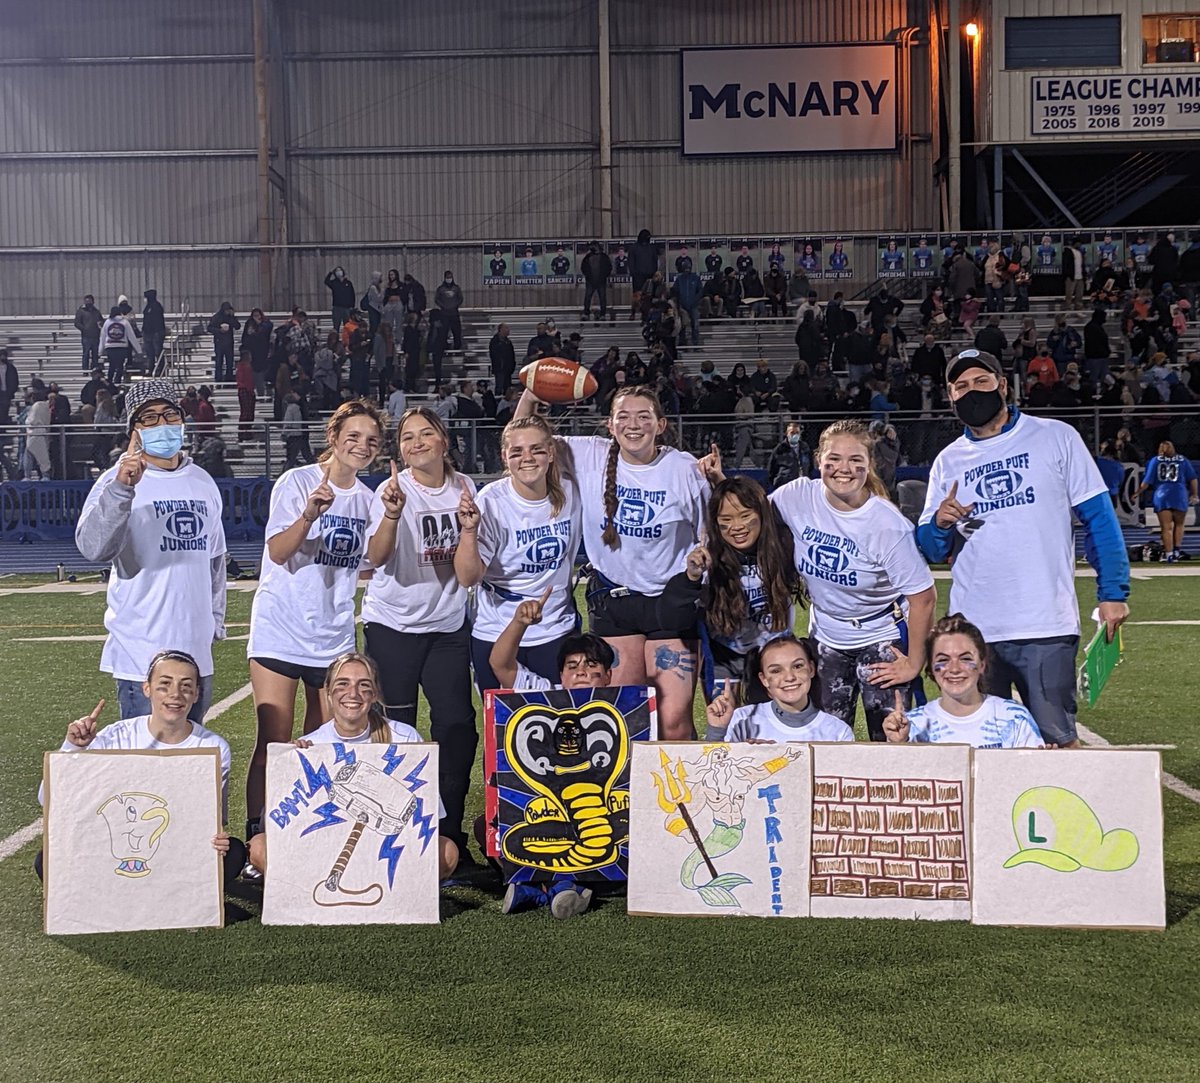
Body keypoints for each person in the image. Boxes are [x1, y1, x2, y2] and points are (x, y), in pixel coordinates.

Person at [916, 348, 1130, 748]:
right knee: (981, 745)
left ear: (1002, 385)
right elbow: (929, 548)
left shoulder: (1055, 437)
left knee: (1057, 742)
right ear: (950, 396)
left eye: (981, 381)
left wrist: (1113, 592)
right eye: (961, 386)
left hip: (1044, 623)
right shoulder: (948, 460)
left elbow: (1099, 518)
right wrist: (940, 523)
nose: (972, 391)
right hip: (973, 629)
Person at [718, 420, 936, 742]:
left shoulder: (887, 525)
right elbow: (752, 514)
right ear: (819, 459)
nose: (843, 469)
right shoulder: (797, 496)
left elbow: (924, 598)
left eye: (855, 460)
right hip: (826, 636)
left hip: (880, 634)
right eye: (834, 458)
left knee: (889, 739)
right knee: (823, 742)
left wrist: (913, 663)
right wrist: (719, 483)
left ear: (869, 464)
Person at [516, 385, 708, 739]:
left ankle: (680, 778)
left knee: (673, 721)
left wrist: (700, 567)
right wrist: (530, 396)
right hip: (614, 599)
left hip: (670, 600)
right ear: (610, 424)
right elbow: (526, 440)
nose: (633, 425)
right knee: (623, 718)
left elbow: (709, 531)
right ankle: (630, 780)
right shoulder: (590, 454)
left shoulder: (683, 469)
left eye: (643, 416)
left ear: (660, 424)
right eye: (624, 416)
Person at [242, 399, 386, 844]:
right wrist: (309, 515)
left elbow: (371, 563)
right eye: (354, 436)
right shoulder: (298, 481)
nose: (362, 446)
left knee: (323, 746)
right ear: (333, 437)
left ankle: (309, 837)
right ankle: (259, 835)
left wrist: (393, 517)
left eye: (372, 440)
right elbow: (278, 552)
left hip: (333, 637)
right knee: (274, 742)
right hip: (281, 630)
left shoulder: (368, 500)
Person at [362, 406, 478, 862]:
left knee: (456, 727)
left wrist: (468, 530)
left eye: (425, 433)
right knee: (395, 730)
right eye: (407, 437)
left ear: (444, 440)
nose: (416, 443)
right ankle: (396, 839)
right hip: (393, 624)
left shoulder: (466, 488)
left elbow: (467, 573)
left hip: (447, 627)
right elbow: (376, 558)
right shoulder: (391, 491)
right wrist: (392, 515)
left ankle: (449, 835)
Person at [75, 379, 226, 723]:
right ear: (135, 430)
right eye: (150, 417)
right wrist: (122, 489)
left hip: (195, 655)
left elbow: (215, 561)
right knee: (147, 756)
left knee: (193, 753)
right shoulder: (114, 481)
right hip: (141, 655)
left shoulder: (202, 480)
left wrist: (214, 622)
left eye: (169, 414)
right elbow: (93, 548)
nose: (162, 423)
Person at [34, 650, 244, 884]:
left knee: (232, 853)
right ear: (147, 689)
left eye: (185, 686)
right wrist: (73, 748)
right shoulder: (115, 737)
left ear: (196, 694)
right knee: (47, 859)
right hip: (112, 844)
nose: (175, 695)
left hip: (176, 844)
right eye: (164, 685)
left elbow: (207, 818)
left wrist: (216, 839)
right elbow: (47, 798)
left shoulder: (213, 747)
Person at [245, 651, 459, 880]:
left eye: (363, 685)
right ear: (328, 692)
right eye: (343, 684)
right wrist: (289, 768)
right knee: (259, 847)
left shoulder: (405, 738)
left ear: (375, 694)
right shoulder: (311, 747)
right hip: (321, 852)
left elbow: (429, 816)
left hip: (387, 849)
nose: (353, 693)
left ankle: (394, 888)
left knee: (447, 853)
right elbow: (276, 824)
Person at [487, 595, 613, 919]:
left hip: (598, 812)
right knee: (485, 826)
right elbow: (500, 664)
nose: (581, 671)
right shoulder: (541, 691)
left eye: (591, 665)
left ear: (608, 675)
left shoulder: (625, 710)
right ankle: (558, 887)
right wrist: (519, 623)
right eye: (572, 666)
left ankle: (543, 888)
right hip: (548, 807)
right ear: (561, 675)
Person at [454, 414, 580, 692]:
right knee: (502, 719)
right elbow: (467, 578)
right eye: (517, 452)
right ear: (504, 457)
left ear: (551, 453)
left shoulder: (571, 492)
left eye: (536, 449)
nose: (527, 458)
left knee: (561, 717)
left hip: (556, 629)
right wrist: (469, 531)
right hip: (497, 631)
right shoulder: (491, 501)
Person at [685, 476, 806, 705]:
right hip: (723, 652)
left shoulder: (783, 544)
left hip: (773, 647)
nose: (737, 526)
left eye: (745, 516)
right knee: (724, 720)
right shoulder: (706, 555)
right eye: (726, 519)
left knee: (775, 719)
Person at [882, 614, 1046, 748]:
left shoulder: (1013, 717)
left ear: (982, 664)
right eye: (943, 660)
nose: (954, 669)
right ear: (931, 668)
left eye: (965, 658)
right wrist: (899, 745)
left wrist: (1046, 761)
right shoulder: (914, 725)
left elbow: (1031, 774)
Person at [705, 635, 852, 743]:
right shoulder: (741, 719)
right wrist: (717, 731)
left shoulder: (838, 732)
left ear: (811, 669)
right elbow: (712, 770)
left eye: (797, 666)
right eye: (776, 671)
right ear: (764, 679)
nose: (789, 677)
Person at [1139, 440, 1198, 562]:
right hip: (1179, 494)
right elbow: (1192, 478)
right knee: (1179, 525)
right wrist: (1194, 494)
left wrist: (1137, 493)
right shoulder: (1183, 460)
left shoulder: (1155, 460)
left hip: (1162, 495)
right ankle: (1176, 551)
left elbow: (1147, 481)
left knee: (1166, 527)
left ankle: (1168, 554)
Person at [100, 305, 141, 385]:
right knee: (120, 365)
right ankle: (117, 381)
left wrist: (100, 350)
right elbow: (131, 336)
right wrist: (138, 349)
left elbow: (103, 337)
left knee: (111, 365)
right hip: (122, 347)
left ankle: (109, 381)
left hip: (110, 347)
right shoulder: (125, 322)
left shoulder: (107, 322)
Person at [767, 423, 812, 490]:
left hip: (802, 486)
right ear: (787, 434)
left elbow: (810, 466)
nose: (795, 435)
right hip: (784, 485)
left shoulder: (804, 447)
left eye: (797, 433)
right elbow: (771, 469)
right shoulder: (780, 449)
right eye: (792, 433)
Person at [207, 302, 240, 384]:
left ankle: (229, 377)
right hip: (219, 342)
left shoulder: (231, 317)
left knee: (230, 361)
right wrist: (219, 330)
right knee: (219, 361)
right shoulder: (216, 317)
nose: (227, 312)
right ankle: (218, 378)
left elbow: (237, 326)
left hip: (229, 342)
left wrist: (232, 317)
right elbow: (209, 328)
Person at [581, 241, 613, 321]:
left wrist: (604, 276)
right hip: (590, 281)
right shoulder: (588, 257)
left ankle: (602, 314)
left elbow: (609, 267)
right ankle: (586, 313)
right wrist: (588, 276)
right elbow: (583, 267)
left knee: (602, 298)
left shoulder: (604, 257)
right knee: (588, 297)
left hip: (601, 281)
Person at [434, 270, 464, 351]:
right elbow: (436, 299)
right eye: (447, 277)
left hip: (454, 313)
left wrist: (455, 305)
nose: (449, 279)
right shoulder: (441, 289)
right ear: (444, 278)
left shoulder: (456, 288)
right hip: (444, 314)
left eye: (450, 277)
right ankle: (445, 349)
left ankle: (457, 349)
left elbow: (460, 298)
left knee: (457, 333)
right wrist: (443, 306)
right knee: (443, 333)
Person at [75, 293, 104, 373]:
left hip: (95, 336)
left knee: (95, 354)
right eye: (86, 301)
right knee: (86, 354)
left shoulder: (96, 312)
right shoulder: (81, 312)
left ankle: (94, 369)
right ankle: (85, 370)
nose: (88, 303)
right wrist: (84, 329)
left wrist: (100, 325)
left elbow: (101, 321)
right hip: (86, 337)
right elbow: (77, 323)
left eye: (89, 301)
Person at [324, 266, 356, 331]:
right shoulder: (334, 283)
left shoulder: (348, 283)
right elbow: (326, 281)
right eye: (337, 271)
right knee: (336, 326)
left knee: (348, 326)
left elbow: (352, 294)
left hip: (347, 308)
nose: (338, 272)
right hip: (337, 308)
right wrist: (330, 273)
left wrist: (352, 306)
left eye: (340, 270)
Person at [141, 289, 166, 371]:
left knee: (158, 351)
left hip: (156, 333)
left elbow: (158, 321)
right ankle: (151, 368)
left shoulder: (156, 306)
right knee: (149, 352)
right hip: (148, 333)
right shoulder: (148, 307)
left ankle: (161, 368)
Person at [490, 323, 516, 395]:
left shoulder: (508, 342)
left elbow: (512, 355)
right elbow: (494, 356)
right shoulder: (495, 341)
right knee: (499, 387)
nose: (508, 330)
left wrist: (512, 365)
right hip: (500, 369)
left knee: (507, 388)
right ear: (501, 330)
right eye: (506, 328)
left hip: (508, 369)